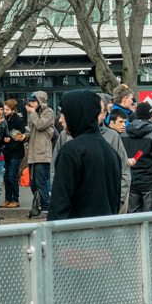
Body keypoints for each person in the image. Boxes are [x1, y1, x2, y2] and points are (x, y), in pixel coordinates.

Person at [48, 89, 123, 221]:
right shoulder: (110, 151)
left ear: (76, 114)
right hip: (106, 232)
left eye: (64, 114)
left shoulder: (71, 151)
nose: (60, 120)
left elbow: (59, 204)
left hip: (75, 235)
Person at [22, 91, 57, 217]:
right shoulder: (34, 114)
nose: (30, 103)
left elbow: (41, 125)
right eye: (29, 101)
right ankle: (39, 206)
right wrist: (23, 137)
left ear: (39, 101)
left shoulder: (48, 112)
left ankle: (47, 208)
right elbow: (33, 131)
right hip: (33, 154)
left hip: (43, 154)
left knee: (41, 181)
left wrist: (32, 113)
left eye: (33, 101)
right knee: (33, 183)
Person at [125, 102, 152, 212]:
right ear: (151, 116)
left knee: (133, 219)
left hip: (131, 181)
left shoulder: (124, 134)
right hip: (151, 183)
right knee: (150, 219)